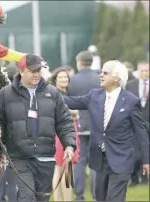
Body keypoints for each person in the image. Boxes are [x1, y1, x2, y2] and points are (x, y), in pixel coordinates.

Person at [64, 60, 150, 201]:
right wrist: (48, 93)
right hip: (100, 160)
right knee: (100, 198)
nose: (100, 75)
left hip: (121, 159)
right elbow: (70, 101)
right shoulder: (94, 95)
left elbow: (141, 133)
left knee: (114, 198)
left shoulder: (130, 101)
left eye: (105, 73)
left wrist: (147, 159)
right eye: (101, 72)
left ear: (116, 78)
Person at [0, 54, 76, 202]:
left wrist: (69, 145)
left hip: (46, 157)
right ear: (22, 71)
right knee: (27, 197)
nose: (37, 74)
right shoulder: (5, 94)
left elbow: (64, 122)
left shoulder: (52, 93)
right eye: (33, 71)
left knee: (42, 198)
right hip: (19, 157)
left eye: (39, 70)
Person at [68, 50, 99, 201]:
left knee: (79, 161)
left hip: (78, 123)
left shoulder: (72, 80)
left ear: (79, 62)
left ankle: (79, 195)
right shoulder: (99, 78)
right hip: (96, 125)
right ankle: (96, 195)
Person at [49, 67, 80, 201]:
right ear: (55, 80)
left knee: (63, 168)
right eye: (60, 77)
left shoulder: (65, 94)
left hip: (68, 131)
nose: (64, 79)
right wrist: (74, 113)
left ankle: (61, 199)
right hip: (61, 134)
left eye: (66, 77)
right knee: (62, 168)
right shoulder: (55, 94)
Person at [126, 61, 149, 186]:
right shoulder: (130, 85)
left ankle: (144, 178)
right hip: (135, 124)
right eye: (142, 70)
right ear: (138, 71)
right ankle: (134, 177)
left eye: (147, 70)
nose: (144, 73)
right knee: (136, 153)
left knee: (147, 151)